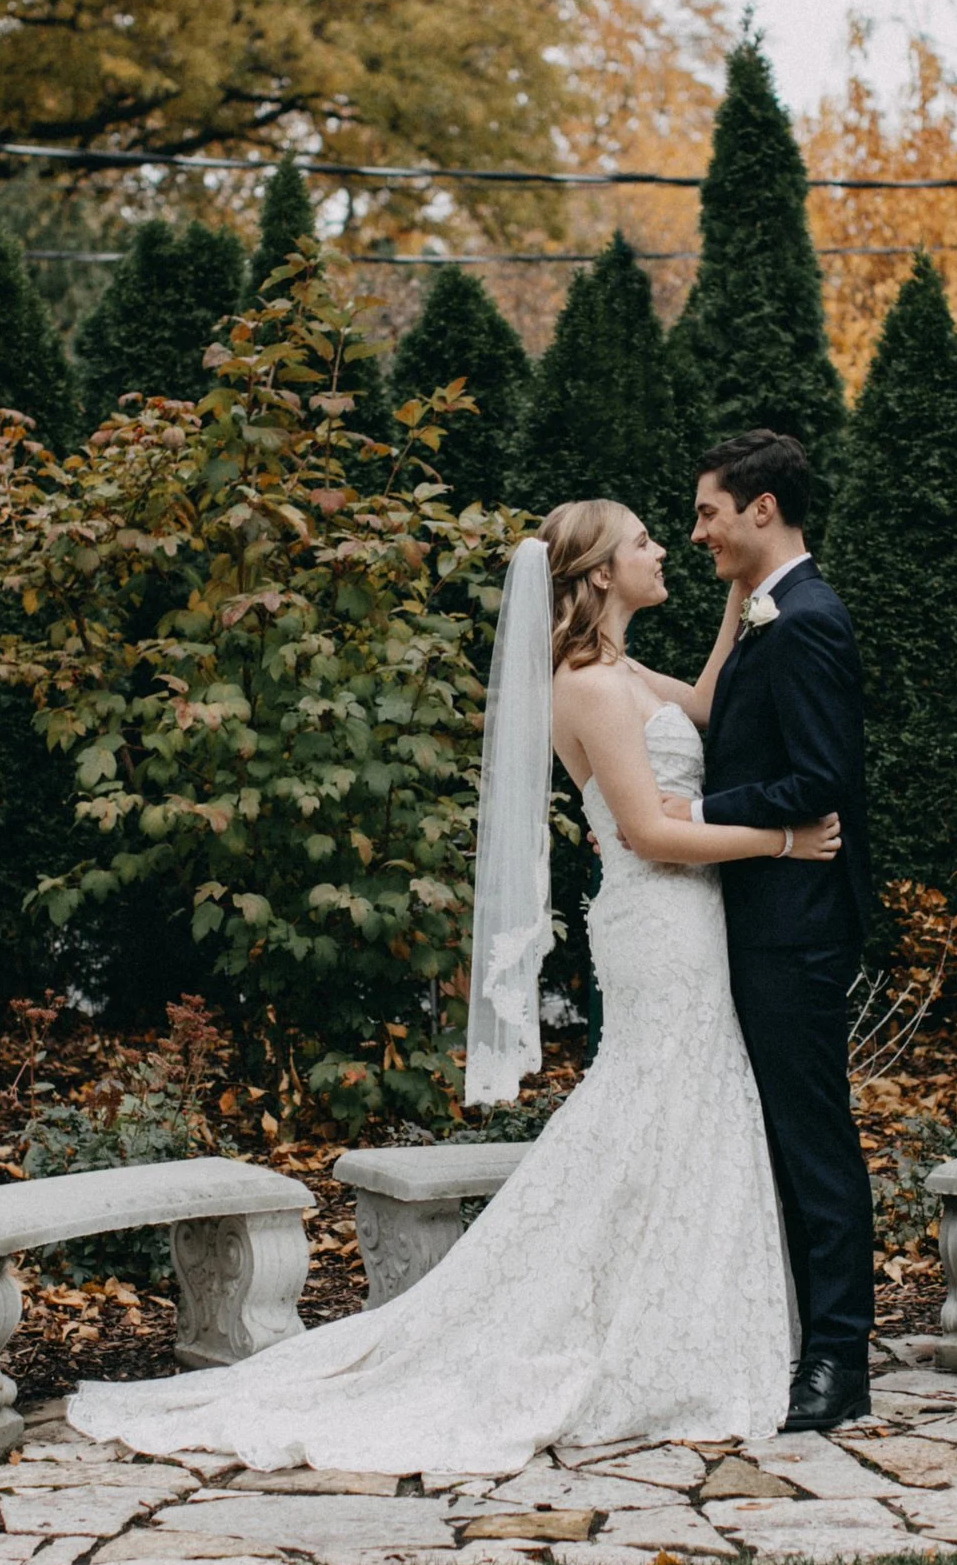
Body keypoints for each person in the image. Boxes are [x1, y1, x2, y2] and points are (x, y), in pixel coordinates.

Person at [66, 496, 843, 1472]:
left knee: (680, 1111)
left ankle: (677, 1316)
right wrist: (783, 837)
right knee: (654, 1102)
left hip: (692, 918)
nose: (662, 551)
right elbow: (648, 832)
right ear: (600, 573)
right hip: (659, 918)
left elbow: (706, 706)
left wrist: (741, 594)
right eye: (643, 541)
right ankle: (614, 1327)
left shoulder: (625, 671)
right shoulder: (588, 688)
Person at [669, 430, 877, 1431]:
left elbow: (820, 779)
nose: (696, 528)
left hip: (796, 924)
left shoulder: (804, 621)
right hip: (765, 914)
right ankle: (800, 1334)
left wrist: (687, 816)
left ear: (761, 508)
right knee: (781, 1139)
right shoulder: (764, 615)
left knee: (811, 1139)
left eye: (709, 509)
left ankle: (838, 1360)